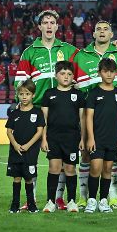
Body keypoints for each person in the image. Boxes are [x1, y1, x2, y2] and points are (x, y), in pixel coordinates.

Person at [15, 9, 78, 211]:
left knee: (58, 156)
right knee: (30, 154)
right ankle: (30, 197)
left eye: (52, 22)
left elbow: (86, 64)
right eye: (46, 22)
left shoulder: (69, 50)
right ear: (40, 26)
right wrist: (23, 104)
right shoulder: (30, 52)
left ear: (57, 27)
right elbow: (20, 82)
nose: (49, 25)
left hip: (63, 109)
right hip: (37, 108)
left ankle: (58, 198)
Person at [73, 20, 117, 209]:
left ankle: (111, 196)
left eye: (106, 29)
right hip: (87, 114)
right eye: (98, 29)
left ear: (111, 35)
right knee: (86, 156)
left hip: (112, 119)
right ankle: (85, 196)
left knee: (110, 163)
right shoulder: (80, 55)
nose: (101, 31)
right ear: (93, 34)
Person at [40, 61, 85, 213]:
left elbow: (82, 119)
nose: (66, 77)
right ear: (56, 75)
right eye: (62, 73)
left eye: (69, 74)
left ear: (73, 76)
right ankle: (50, 201)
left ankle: (72, 201)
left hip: (72, 138)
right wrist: (44, 139)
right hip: (53, 137)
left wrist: (83, 138)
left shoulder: (78, 95)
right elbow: (43, 119)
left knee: (70, 168)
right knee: (54, 168)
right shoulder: (49, 94)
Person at [84, 58, 117, 214]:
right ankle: (91, 200)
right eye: (105, 71)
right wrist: (90, 138)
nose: (108, 74)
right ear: (100, 73)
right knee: (95, 167)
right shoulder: (94, 93)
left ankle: (103, 200)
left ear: (115, 73)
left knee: (108, 169)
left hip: (113, 138)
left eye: (111, 71)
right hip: (97, 138)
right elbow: (88, 117)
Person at [6, 79, 45, 213]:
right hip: (15, 151)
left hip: (30, 151)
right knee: (16, 178)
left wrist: (28, 145)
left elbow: (40, 131)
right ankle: (15, 204)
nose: (24, 97)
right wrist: (15, 145)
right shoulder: (14, 113)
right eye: (21, 94)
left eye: (27, 94)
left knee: (29, 178)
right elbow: (9, 131)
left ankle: (31, 205)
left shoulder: (38, 112)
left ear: (33, 95)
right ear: (18, 95)